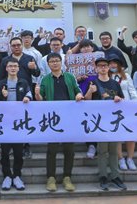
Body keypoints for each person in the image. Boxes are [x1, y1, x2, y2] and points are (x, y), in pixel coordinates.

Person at [36, 52, 84, 192]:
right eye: (52, 61)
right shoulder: (45, 79)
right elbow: (40, 100)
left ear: (61, 62)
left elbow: (77, 90)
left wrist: (79, 94)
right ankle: (51, 178)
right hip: (52, 118)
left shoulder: (69, 77)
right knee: (52, 149)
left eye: (57, 61)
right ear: (48, 64)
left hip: (69, 117)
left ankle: (67, 177)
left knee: (69, 149)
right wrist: (38, 94)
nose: (55, 63)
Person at [86, 57, 127, 191]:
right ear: (96, 68)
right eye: (100, 66)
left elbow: (122, 99)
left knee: (114, 150)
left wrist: (118, 99)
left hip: (113, 120)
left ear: (108, 68)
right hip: (99, 121)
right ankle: (103, 176)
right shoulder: (93, 82)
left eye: (105, 65)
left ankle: (115, 176)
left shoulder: (115, 84)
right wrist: (90, 92)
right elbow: (86, 101)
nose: (103, 68)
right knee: (102, 150)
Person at [0, 57, 32, 191]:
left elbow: (29, 94)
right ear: (6, 68)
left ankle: (17, 175)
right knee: (4, 152)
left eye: (15, 66)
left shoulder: (23, 82)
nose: (13, 68)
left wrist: (28, 98)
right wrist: (2, 95)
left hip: (19, 122)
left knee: (18, 151)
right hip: (4, 122)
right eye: (10, 66)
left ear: (18, 68)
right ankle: (7, 176)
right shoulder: (1, 83)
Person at [66, 38, 99, 159]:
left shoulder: (98, 59)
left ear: (92, 48)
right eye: (83, 47)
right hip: (82, 88)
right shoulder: (76, 61)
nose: (85, 49)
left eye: (88, 46)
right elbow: (69, 54)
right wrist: (79, 77)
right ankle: (90, 144)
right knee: (86, 117)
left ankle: (98, 144)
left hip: (97, 89)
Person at [110, 57, 137, 171]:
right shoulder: (108, 77)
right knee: (118, 134)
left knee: (130, 134)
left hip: (127, 107)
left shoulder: (126, 76)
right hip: (114, 109)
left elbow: (132, 90)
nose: (113, 65)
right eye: (111, 63)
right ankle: (120, 158)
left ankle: (130, 158)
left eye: (115, 63)